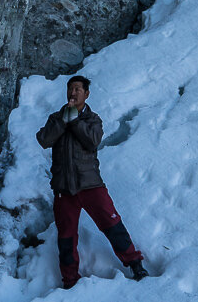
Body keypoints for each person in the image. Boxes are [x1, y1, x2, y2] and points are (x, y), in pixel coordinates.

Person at [36, 75, 149, 288]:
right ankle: (70, 280)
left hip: (91, 185)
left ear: (87, 94)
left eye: (78, 89)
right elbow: (44, 140)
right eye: (70, 88)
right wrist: (64, 119)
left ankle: (135, 264)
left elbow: (92, 140)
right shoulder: (55, 117)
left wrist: (75, 121)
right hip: (64, 189)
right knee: (66, 238)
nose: (73, 92)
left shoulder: (92, 119)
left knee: (112, 224)